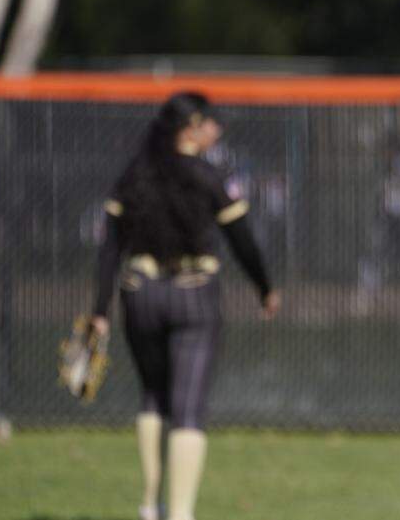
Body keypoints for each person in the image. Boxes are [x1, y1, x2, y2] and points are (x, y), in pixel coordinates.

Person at [91, 92, 281, 520]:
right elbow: (242, 240)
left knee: (153, 396)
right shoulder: (206, 175)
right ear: (191, 127)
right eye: (210, 122)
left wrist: (100, 310)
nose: (216, 129)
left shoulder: (136, 172)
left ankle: (150, 504)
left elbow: (110, 248)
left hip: (140, 292)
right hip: (193, 294)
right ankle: (179, 514)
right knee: (188, 408)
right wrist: (265, 288)